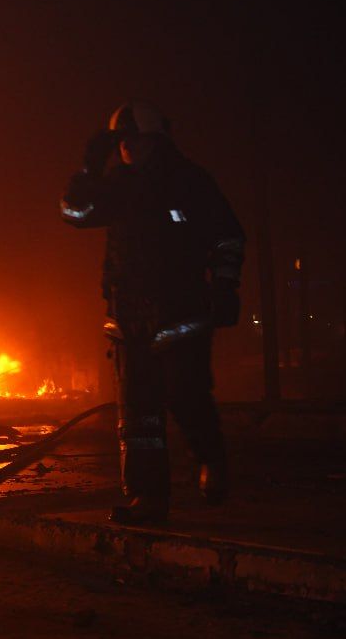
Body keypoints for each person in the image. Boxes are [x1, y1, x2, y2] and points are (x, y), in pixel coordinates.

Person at [60, 100, 245, 525]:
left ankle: (211, 460)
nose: (126, 147)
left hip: (180, 311)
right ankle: (148, 497)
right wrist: (88, 170)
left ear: (155, 140)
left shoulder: (190, 181)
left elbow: (228, 236)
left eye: (133, 139)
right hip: (127, 315)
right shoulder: (115, 184)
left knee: (185, 396)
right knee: (138, 414)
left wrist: (224, 285)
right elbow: (74, 214)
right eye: (119, 142)